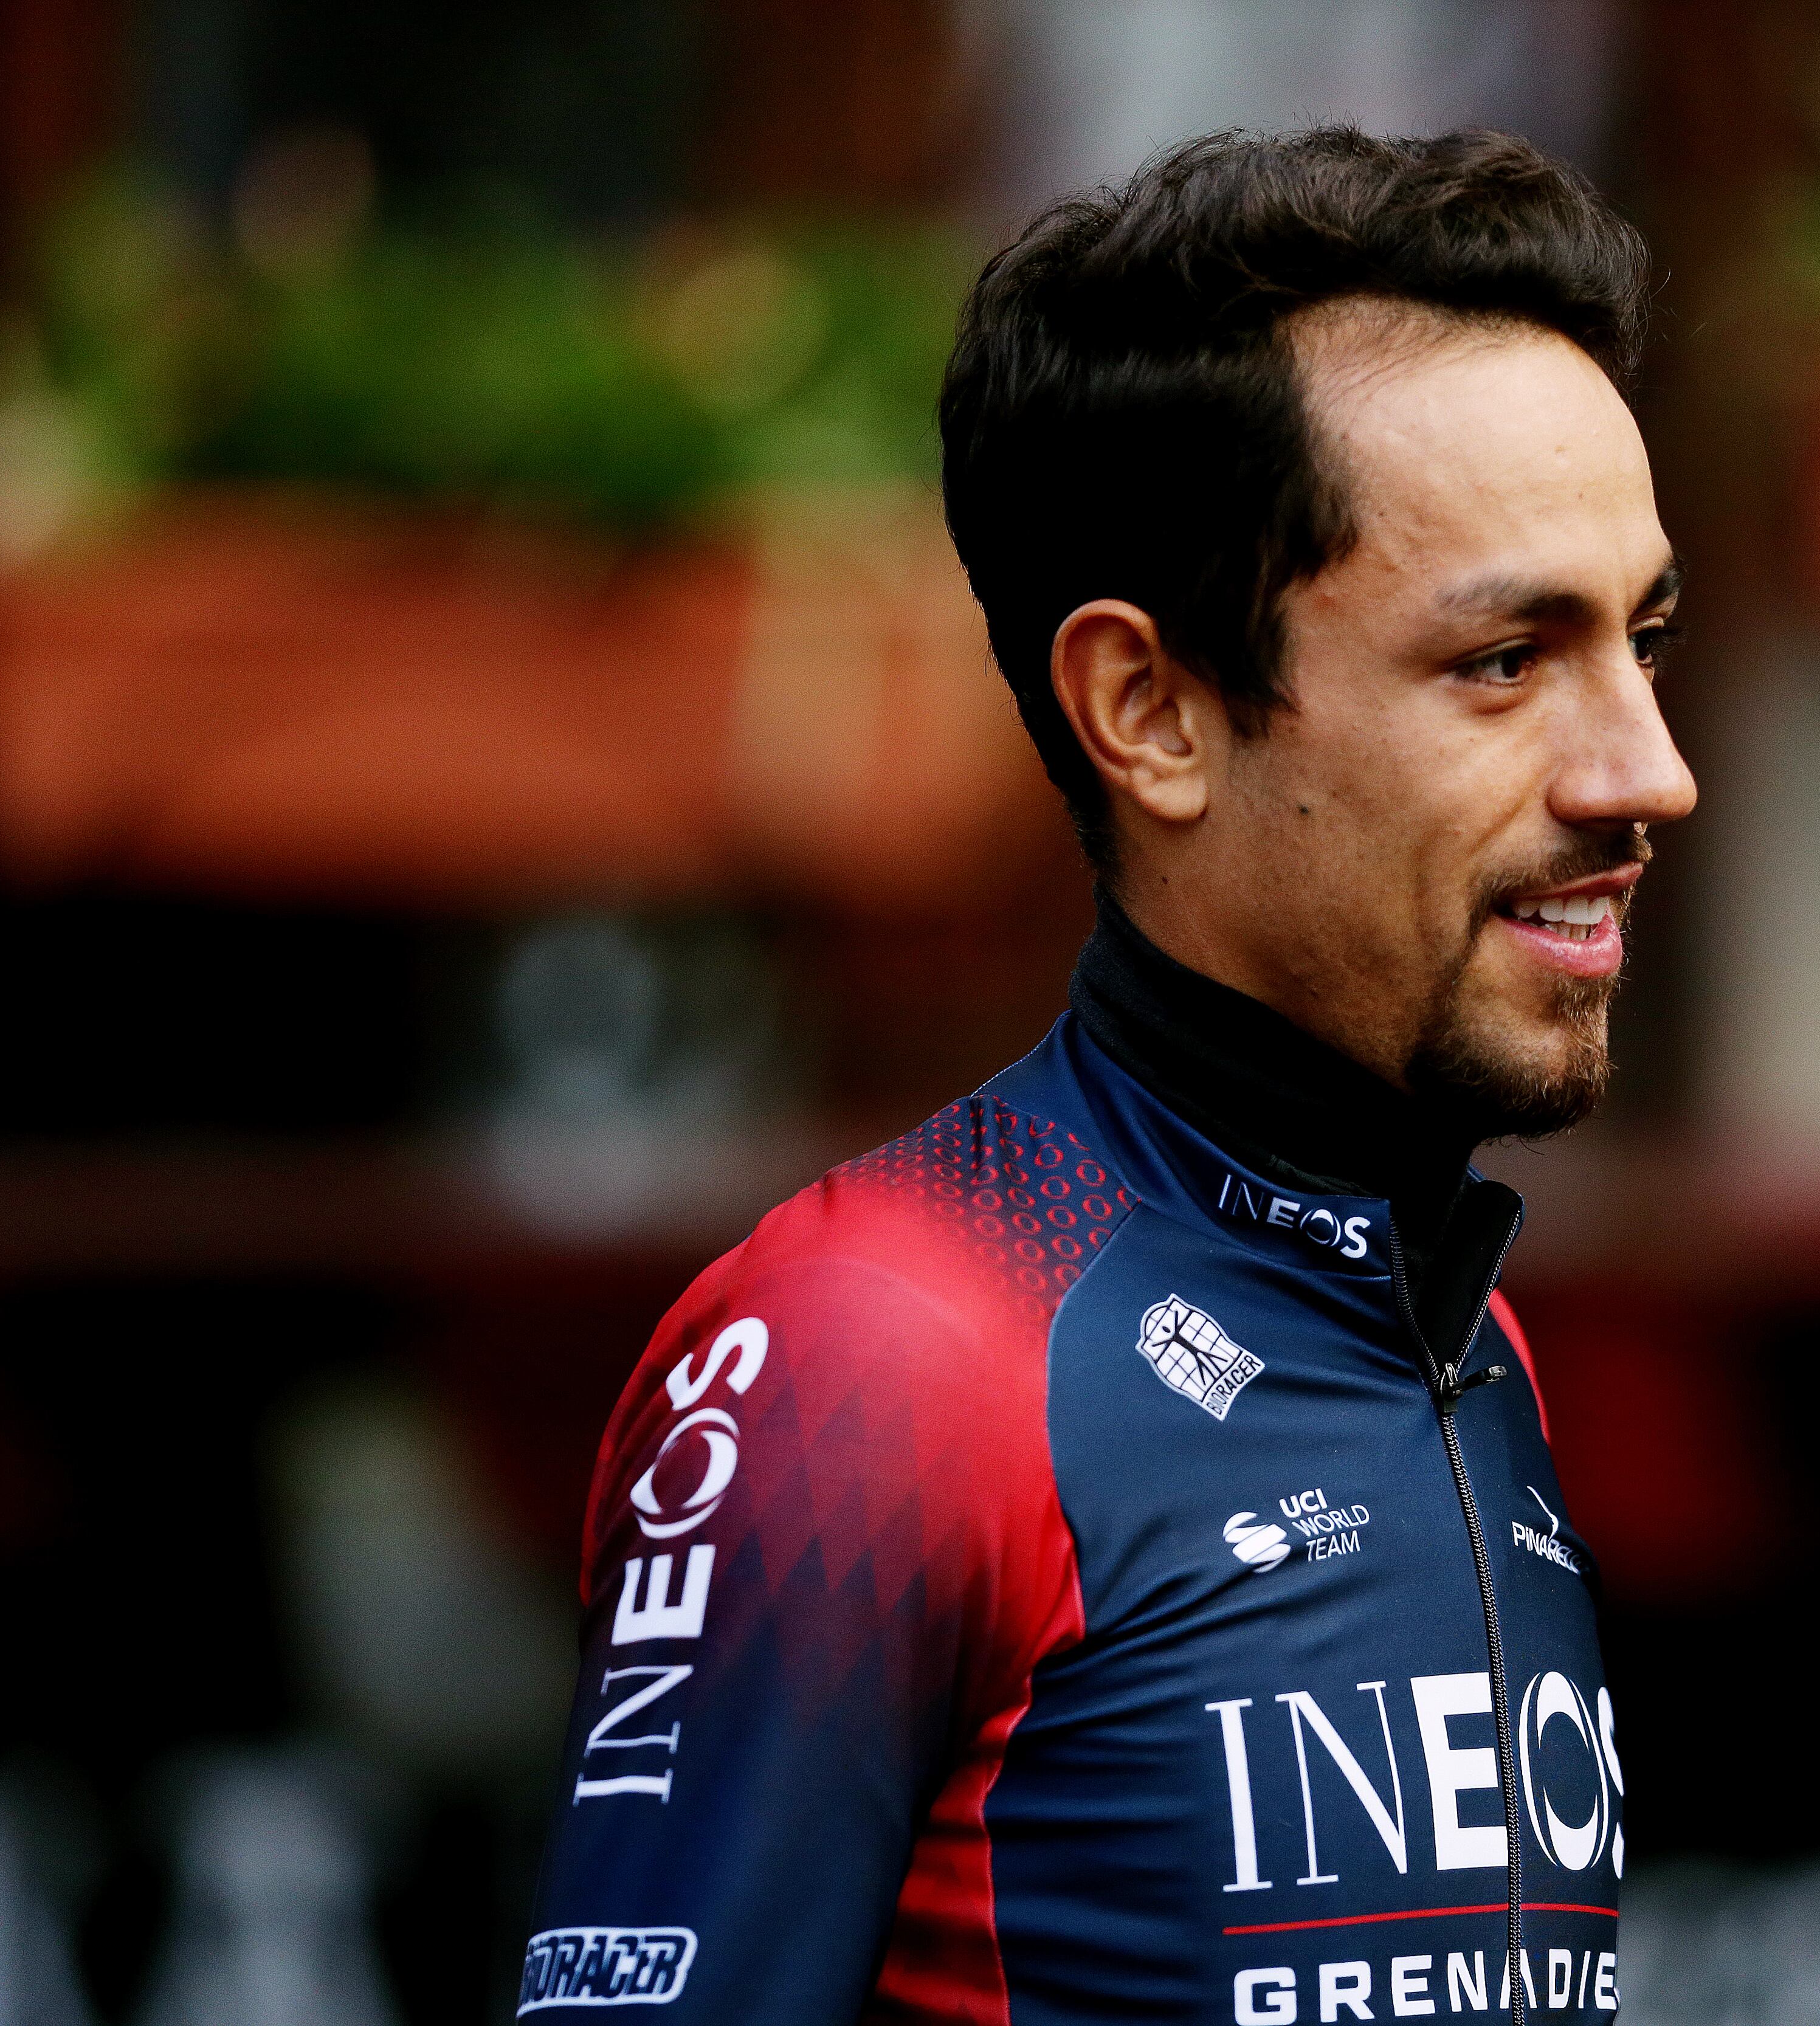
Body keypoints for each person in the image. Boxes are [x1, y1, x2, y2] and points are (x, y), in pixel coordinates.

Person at [518, 126, 1695, 2025]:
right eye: (1504, 660)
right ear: (1150, 712)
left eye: (1641, 642)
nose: (1646, 772)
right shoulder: (871, 1356)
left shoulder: (1455, 1326)